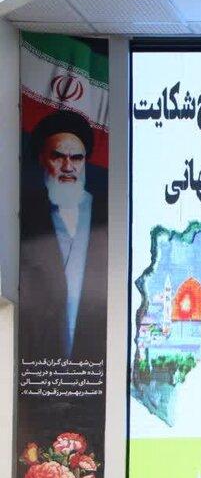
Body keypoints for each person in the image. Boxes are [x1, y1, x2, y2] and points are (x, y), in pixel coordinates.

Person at [20, 109, 108, 362]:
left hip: (95, 363)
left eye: (76, 158)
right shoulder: (25, 216)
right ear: (42, 159)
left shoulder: (106, 215)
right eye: (58, 157)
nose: (68, 167)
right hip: (38, 361)